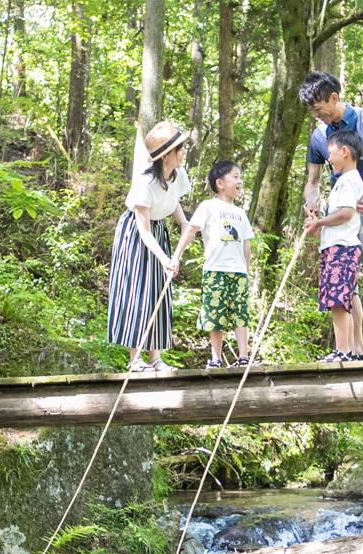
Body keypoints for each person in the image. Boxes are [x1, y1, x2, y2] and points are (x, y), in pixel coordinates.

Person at [300, 71, 363, 360]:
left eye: (319, 109)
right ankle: (354, 350)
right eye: (312, 111)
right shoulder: (319, 137)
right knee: (347, 282)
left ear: (334, 97)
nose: (317, 116)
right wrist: (312, 204)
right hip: (342, 214)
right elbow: (313, 181)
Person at [107, 120, 192, 372]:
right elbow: (143, 230)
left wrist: (184, 224)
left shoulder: (179, 175)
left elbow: (173, 201)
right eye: (180, 148)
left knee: (159, 291)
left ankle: (156, 358)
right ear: (166, 156)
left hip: (159, 230)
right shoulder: (144, 182)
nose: (184, 151)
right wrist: (165, 259)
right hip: (135, 235)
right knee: (140, 291)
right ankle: (136, 359)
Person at [171, 161, 256, 369]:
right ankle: (216, 358)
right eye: (235, 177)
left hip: (238, 271)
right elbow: (191, 231)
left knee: (240, 313)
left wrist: (247, 270)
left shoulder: (241, 213)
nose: (240, 181)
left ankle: (243, 356)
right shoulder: (208, 206)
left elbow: (246, 245)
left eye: (240, 177)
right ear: (220, 183)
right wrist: (176, 256)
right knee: (215, 313)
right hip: (215, 269)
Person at [303, 131, 363, 363]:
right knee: (338, 302)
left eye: (331, 154)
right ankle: (344, 350)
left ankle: (343, 351)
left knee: (339, 301)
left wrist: (320, 222)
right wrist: (317, 222)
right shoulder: (342, 182)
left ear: (344, 152)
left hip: (343, 249)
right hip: (334, 247)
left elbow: (347, 213)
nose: (329, 159)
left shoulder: (350, 180)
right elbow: (338, 216)